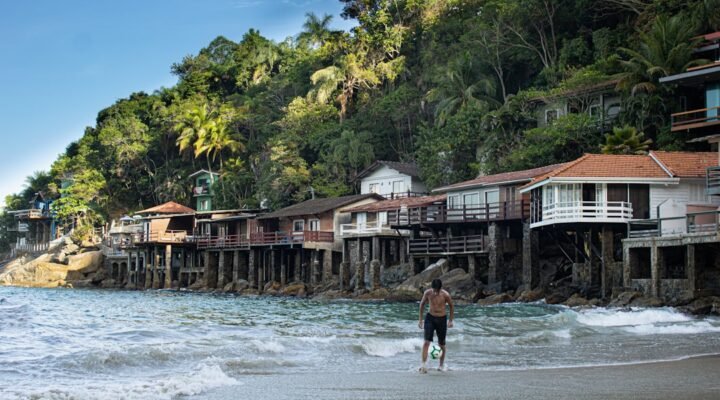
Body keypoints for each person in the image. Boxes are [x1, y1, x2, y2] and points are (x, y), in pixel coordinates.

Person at [418, 278, 454, 373]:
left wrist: (450, 320)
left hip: (442, 319)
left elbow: (451, 306)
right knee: (426, 342)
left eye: (436, 291)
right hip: (430, 318)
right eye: (433, 290)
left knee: (441, 344)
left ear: (440, 289)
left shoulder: (446, 295)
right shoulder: (428, 293)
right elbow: (421, 305)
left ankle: (441, 365)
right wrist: (420, 319)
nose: (435, 293)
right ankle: (423, 365)